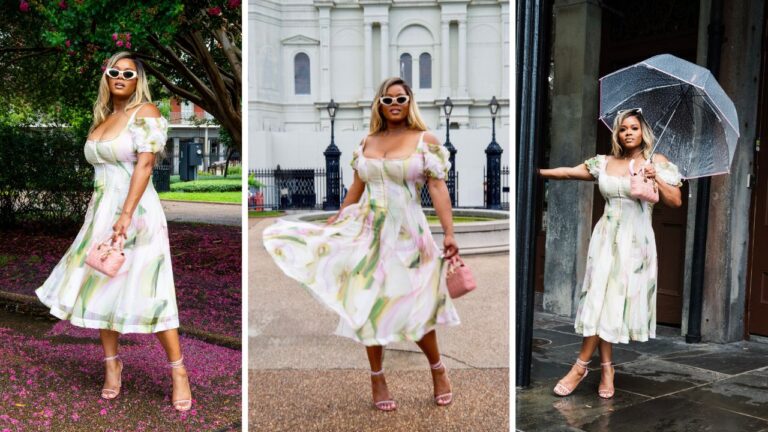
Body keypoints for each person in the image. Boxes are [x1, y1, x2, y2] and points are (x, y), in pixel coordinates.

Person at [263, 77, 460, 411]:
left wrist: (450, 233)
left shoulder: (425, 140)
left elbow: (438, 189)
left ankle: (438, 369)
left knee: (417, 307)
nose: (394, 103)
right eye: (387, 99)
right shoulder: (367, 141)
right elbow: (356, 189)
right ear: (379, 104)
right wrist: (337, 221)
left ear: (409, 101)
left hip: (409, 235)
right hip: (370, 232)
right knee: (368, 306)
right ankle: (377, 377)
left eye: (400, 98)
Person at [35, 52, 193, 411]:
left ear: (138, 80)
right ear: (105, 77)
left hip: (136, 214)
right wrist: (103, 218)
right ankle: (112, 364)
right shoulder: (104, 118)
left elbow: (146, 165)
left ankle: (178, 371)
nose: (120, 77)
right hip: (101, 213)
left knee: (153, 290)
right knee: (103, 285)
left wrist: (125, 215)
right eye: (114, 71)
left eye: (128, 72)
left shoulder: (146, 114)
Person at [538, 109, 682, 399]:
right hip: (604, 238)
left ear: (643, 133)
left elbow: (676, 201)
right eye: (622, 129)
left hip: (635, 243)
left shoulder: (658, 162)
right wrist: (535, 171)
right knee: (599, 300)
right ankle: (606, 368)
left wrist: (658, 178)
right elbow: (568, 172)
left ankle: (580, 366)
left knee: (612, 301)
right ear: (617, 134)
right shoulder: (604, 162)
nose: (628, 133)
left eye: (634, 128)